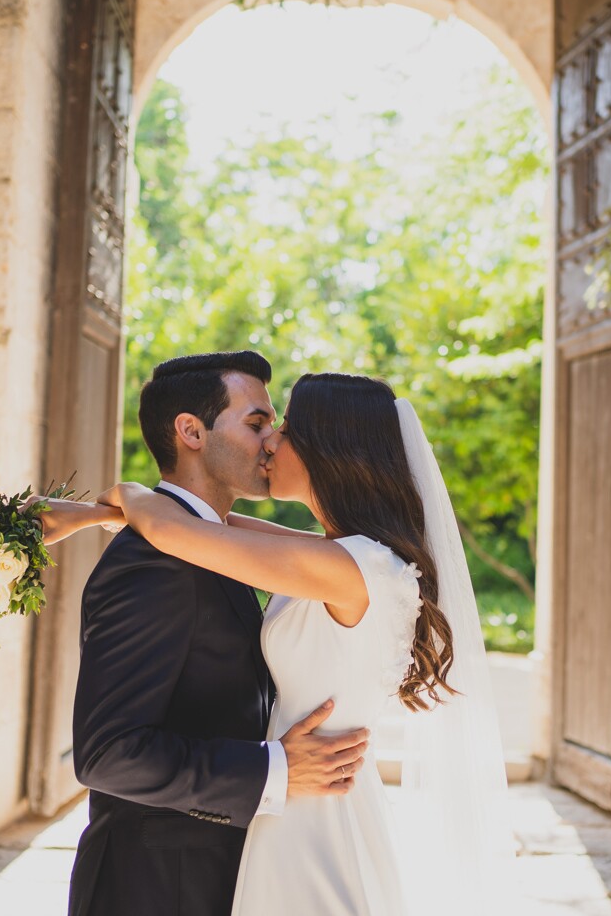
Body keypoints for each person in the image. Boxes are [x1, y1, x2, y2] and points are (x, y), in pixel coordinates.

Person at [94, 371, 511, 915]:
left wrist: (128, 492)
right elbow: (219, 523)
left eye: (285, 428)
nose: (271, 440)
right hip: (304, 799)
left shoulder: (349, 567)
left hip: (315, 814)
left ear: (329, 450)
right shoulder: (350, 556)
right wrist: (95, 515)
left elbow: (183, 533)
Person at [34, 352, 371, 916]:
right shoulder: (152, 562)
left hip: (226, 872)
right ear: (190, 431)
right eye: (257, 423)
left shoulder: (213, 546)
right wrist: (274, 769)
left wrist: (119, 506)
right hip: (154, 886)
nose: (271, 443)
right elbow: (108, 754)